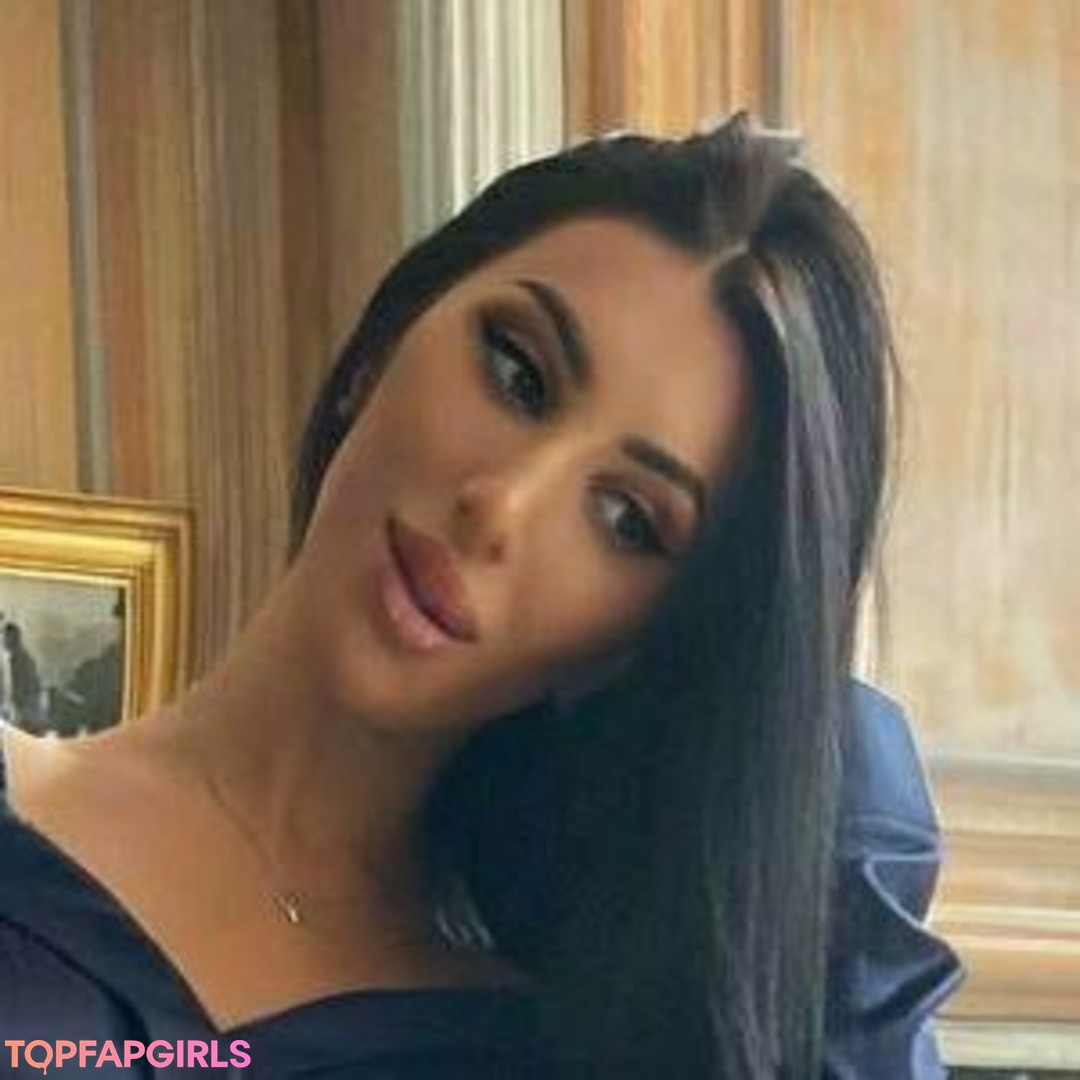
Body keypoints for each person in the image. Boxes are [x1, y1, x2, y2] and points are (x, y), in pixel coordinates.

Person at [0, 112, 962, 1078]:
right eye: (517, 374)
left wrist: (800, 748)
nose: (500, 507)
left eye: (628, 519)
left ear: (649, 632)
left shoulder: (549, 1048)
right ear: (384, 344)